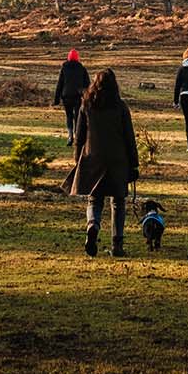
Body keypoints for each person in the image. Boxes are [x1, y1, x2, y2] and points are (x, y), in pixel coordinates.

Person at [65, 68, 139, 257]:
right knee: (118, 202)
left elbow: (79, 136)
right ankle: (117, 245)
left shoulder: (87, 105)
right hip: (117, 160)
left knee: (94, 199)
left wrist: (78, 159)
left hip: (93, 158)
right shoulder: (121, 106)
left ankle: (93, 225)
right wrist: (134, 163)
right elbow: (129, 137)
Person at [51, 49, 89, 144]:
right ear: (77, 58)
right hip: (77, 96)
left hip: (66, 96)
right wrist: (87, 97)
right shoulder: (82, 68)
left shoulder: (64, 68)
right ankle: (77, 136)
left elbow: (60, 83)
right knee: (77, 116)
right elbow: (87, 84)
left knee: (68, 116)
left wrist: (56, 99)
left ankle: (70, 136)